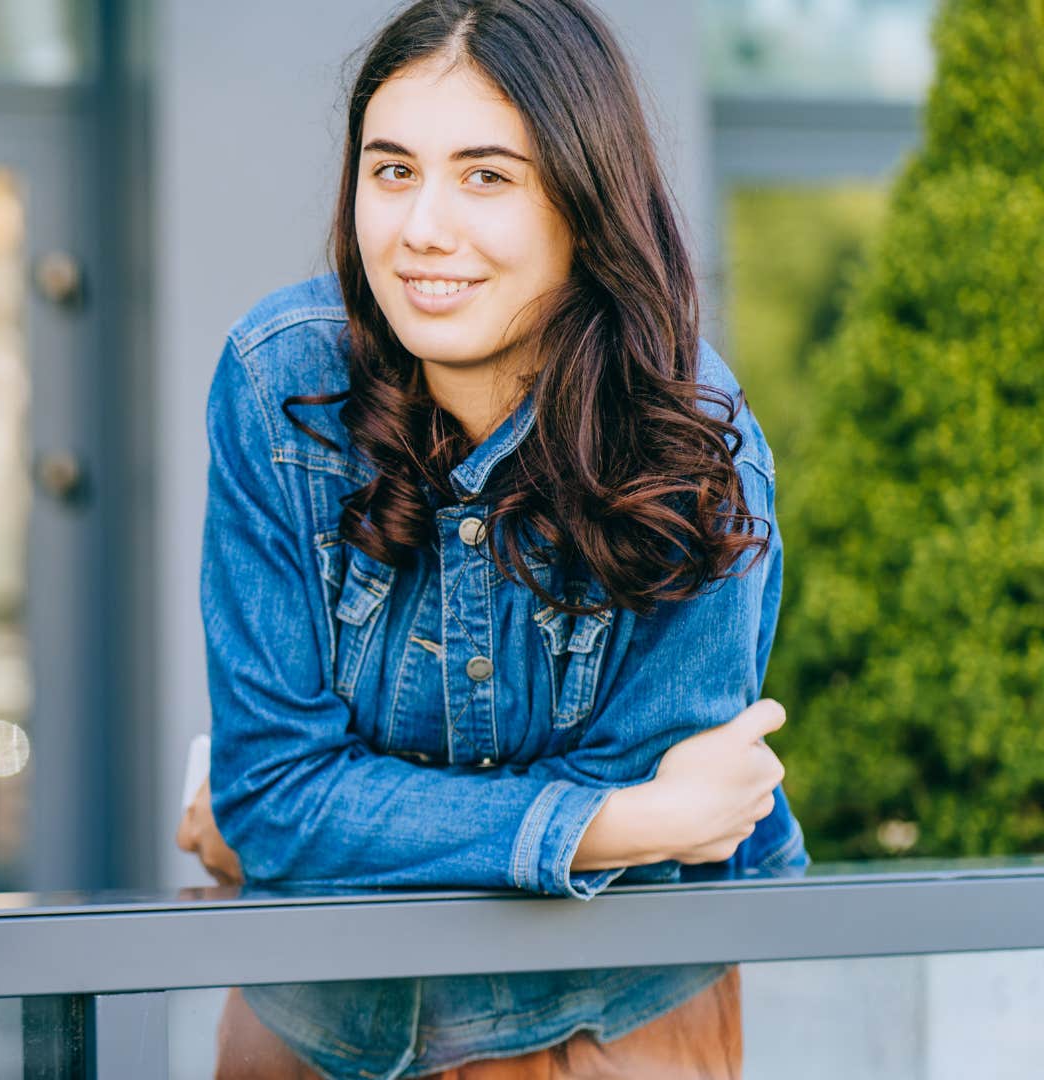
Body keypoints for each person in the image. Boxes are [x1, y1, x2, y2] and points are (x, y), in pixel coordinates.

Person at [177, 0, 805, 1075]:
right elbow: (274, 798)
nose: (423, 228)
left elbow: (670, 844)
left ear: (583, 202)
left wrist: (328, 814)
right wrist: (609, 823)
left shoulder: (696, 446)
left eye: (486, 177)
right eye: (392, 171)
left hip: (603, 1018)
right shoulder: (280, 385)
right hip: (325, 1024)